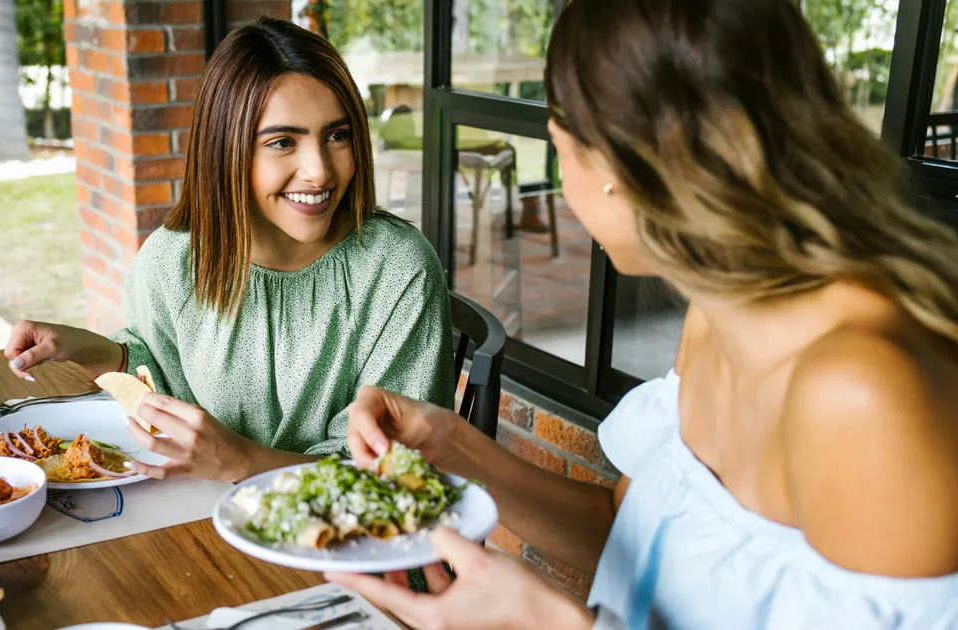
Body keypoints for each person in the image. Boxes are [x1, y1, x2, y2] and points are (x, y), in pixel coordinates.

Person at [327, 0, 958, 627]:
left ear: (621, 166)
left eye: (561, 147)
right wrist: (455, 445)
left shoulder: (864, 392)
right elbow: (631, 538)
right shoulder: (716, 318)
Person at [3, 18, 453, 484]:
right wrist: (90, 349)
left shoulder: (398, 268)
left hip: (356, 527)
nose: (319, 170)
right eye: (283, 142)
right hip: (202, 513)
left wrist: (244, 463)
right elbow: (167, 384)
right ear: (226, 149)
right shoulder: (172, 261)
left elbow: (396, 471)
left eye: (337, 135)